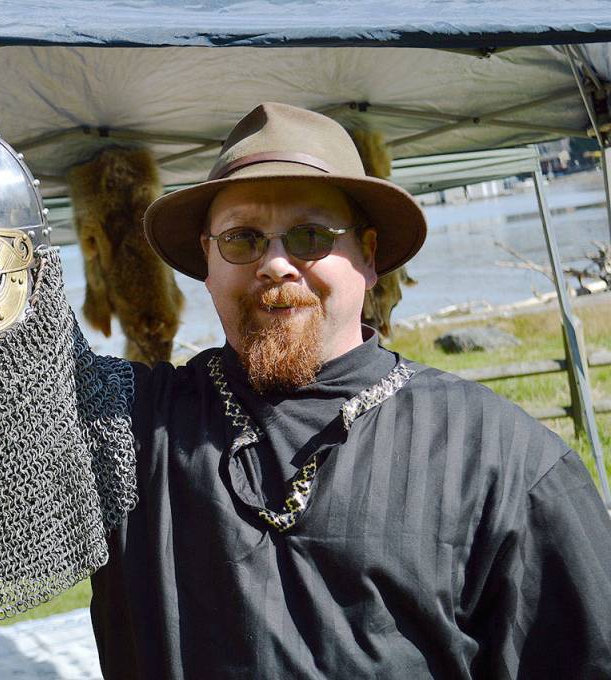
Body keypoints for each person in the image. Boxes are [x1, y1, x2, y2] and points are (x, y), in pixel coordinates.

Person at [87, 102, 611, 678]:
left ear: (369, 254)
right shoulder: (127, 426)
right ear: (206, 262)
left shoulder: (504, 461)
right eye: (241, 239)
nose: (276, 264)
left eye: (311, 236)